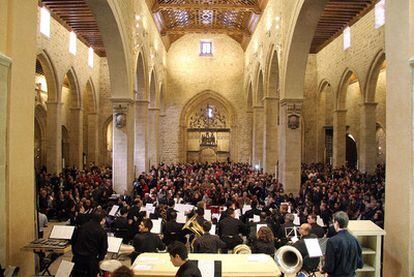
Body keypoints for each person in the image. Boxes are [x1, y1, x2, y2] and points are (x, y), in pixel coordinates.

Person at [322, 211, 363, 277]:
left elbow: (329, 267)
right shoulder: (355, 239)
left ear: (337, 223)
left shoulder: (332, 241)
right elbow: (360, 264)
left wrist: (323, 269)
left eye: (333, 222)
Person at [71, 211, 108, 277]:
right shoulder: (101, 231)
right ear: (102, 220)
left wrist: (75, 253)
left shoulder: (81, 227)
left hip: (77, 258)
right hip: (90, 261)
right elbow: (103, 248)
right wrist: (99, 260)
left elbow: (73, 241)